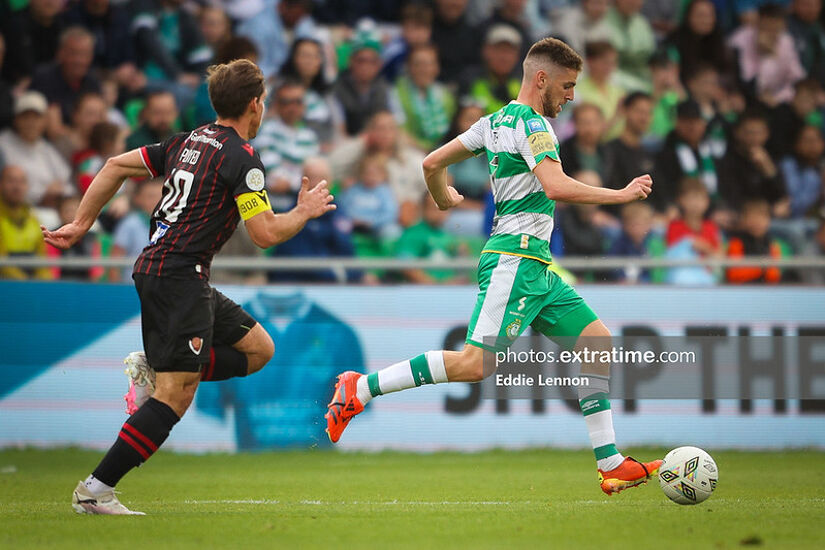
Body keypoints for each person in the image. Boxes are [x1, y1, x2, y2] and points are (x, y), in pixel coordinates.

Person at [323, 37, 662, 496]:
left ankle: (611, 463)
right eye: (567, 85)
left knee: (596, 342)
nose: (571, 96)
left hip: (536, 266)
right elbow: (555, 185)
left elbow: (431, 161)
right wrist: (619, 196)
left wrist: (442, 195)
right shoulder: (535, 125)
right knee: (473, 364)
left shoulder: (495, 121)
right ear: (541, 79)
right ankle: (360, 388)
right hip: (515, 260)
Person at [43, 59, 335, 515]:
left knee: (259, 350)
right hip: (179, 275)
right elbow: (264, 235)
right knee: (176, 395)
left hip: (170, 270)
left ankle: (158, 369)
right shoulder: (243, 157)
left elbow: (116, 165)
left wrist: (82, 222)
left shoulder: (187, 141)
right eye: (264, 103)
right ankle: (95, 490)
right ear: (255, 104)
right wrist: (304, 211)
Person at [0, 165, 53, 280]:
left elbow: (42, 260)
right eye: (11, 181)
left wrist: (45, 283)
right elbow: (3, 263)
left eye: (21, 182)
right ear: (1, 184)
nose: (16, 187)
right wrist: (26, 284)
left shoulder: (34, 219)